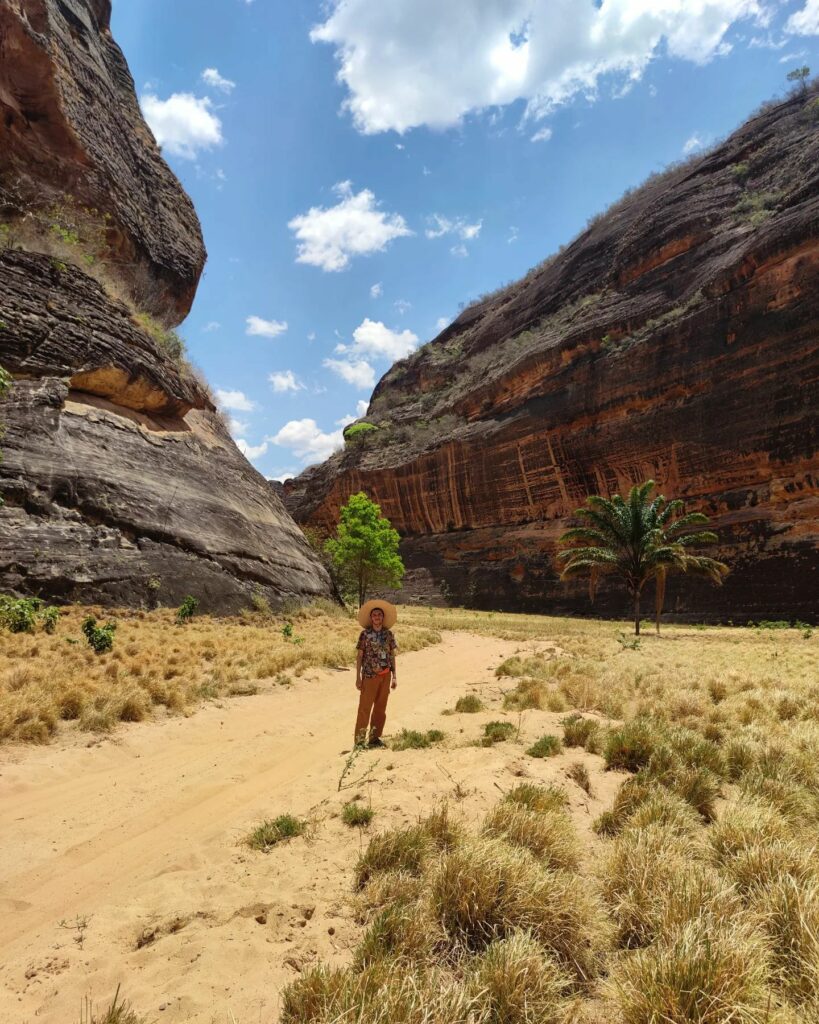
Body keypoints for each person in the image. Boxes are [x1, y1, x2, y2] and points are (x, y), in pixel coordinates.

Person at [354, 599, 398, 748]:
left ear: (383, 617)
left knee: (380, 708)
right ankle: (359, 742)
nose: (377, 617)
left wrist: (394, 677)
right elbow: (359, 656)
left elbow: (392, 655)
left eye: (379, 614)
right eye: (374, 615)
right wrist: (358, 677)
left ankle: (374, 738)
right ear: (371, 618)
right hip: (369, 676)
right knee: (364, 708)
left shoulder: (389, 635)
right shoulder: (365, 635)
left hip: (385, 677)